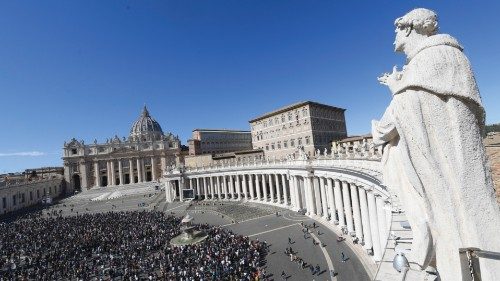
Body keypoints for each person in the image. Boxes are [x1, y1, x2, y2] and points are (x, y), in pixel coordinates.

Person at [373, 8, 500, 279]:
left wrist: (395, 97)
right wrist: (399, 87)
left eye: (396, 29)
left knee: (459, 231)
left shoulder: (430, 59)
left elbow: (396, 117)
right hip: (454, 163)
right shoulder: (447, 57)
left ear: (408, 29)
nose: (393, 36)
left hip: (444, 170)